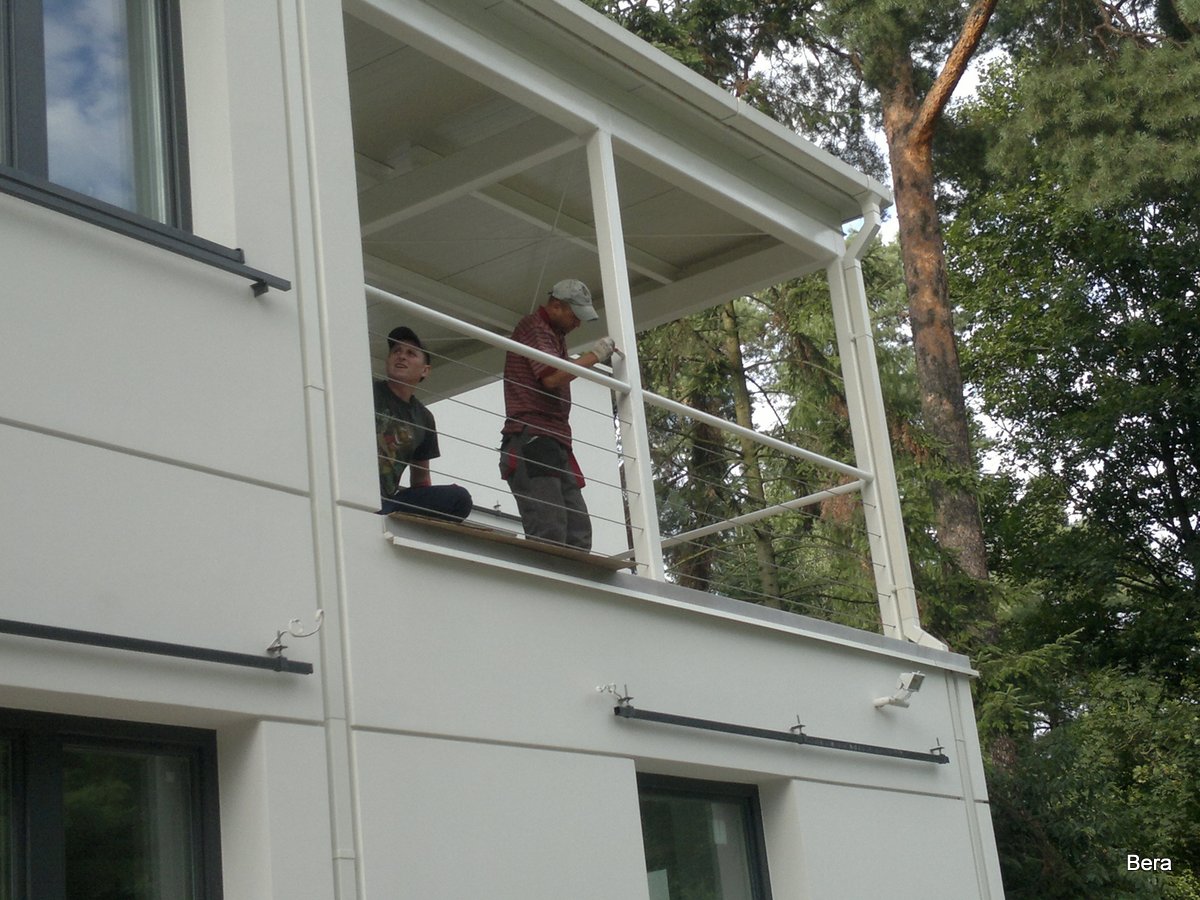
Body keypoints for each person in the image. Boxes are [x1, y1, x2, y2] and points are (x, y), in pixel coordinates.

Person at [499, 279, 616, 550]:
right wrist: (596, 355)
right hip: (534, 437)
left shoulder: (554, 335)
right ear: (555, 306)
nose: (578, 324)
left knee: (578, 531)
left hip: (553, 440)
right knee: (549, 527)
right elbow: (551, 377)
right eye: (575, 316)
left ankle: (572, 576)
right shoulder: (535, 327)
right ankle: (548, 576)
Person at [375, 326, 473, 522]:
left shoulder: (424, 417)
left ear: (425, 370)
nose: (401, 356)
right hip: (350, 488)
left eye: (410, 353)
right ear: (387, 361)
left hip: (387, 502)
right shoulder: (367, 388)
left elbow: (420, 479)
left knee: (459, 498)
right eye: (396, 351)